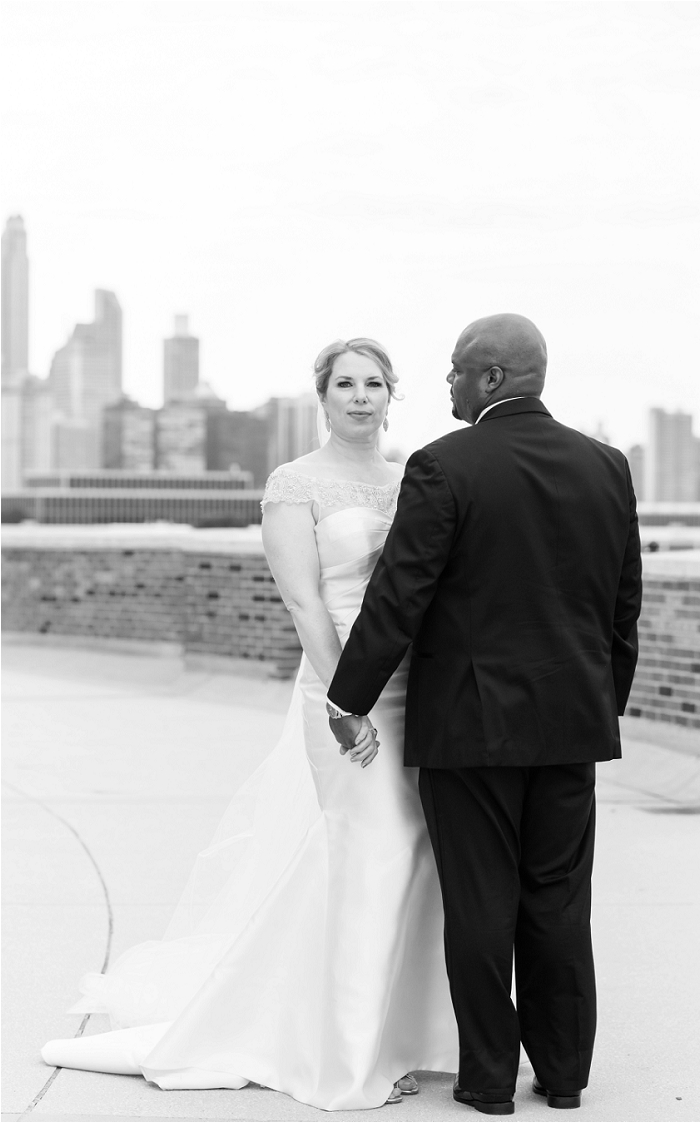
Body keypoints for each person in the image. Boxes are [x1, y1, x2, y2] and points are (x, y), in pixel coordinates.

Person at [41, 338, 460, 1109]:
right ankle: (345, 1057)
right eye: (345, 384)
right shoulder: (294, 483)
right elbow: (304, 601)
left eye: (374, 384)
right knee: (372, 854)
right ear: (323, 396)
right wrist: (345, 699)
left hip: (413, 689)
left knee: (418, 859)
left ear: (392, 394)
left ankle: (405, 1039)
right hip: (338, 686)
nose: (361, 396)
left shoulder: (413, 479)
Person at [324, 313, 642, 1116]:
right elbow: (622, 612)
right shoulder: (606, 466)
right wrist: (600, 708)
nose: (450, 383)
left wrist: (347, 695)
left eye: (460, 370)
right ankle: (565, 1076)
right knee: (561, 901)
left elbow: (402, 594)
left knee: (480, 903)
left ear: (493, 378)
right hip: (571, 724)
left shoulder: (444, 465)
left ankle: (489, 1081)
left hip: (470, 728)